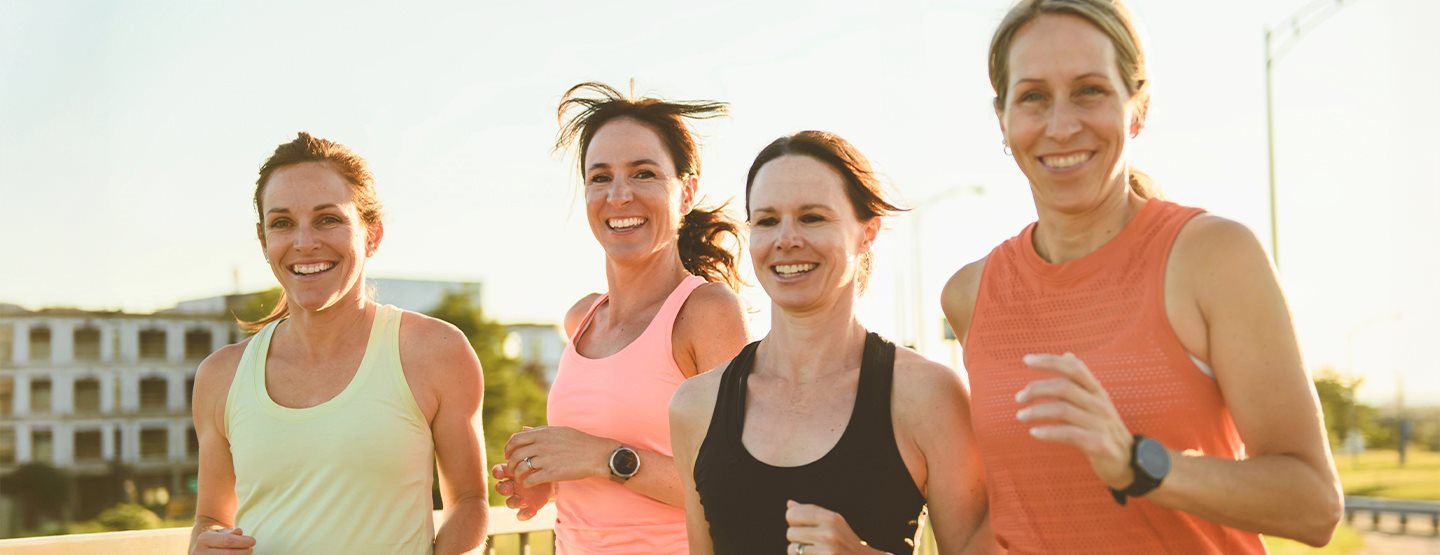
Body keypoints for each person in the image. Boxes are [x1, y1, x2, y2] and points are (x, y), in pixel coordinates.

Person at [939, 1, 1343, 552]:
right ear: (1004, 121)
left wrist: (1136, 462)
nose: (1061, 125)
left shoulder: (1212, 257)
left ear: (1138, 108)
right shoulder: (970, 294)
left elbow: (1313, 504)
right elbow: (1015, 519)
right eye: (1033, 96)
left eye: (1090, 90)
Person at [671, 131, 993, 555]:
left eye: (812, 218)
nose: (786, 239)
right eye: (767, 221)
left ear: (867, 233)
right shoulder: (696, 405)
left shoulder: (928, 394)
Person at [189, 132, 489, 555]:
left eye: (328, 219)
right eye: (282, 223)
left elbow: (469, 503)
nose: (304, 242)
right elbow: (211, 517)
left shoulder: (435, 351)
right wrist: (205, 545)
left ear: (372, 235)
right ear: (263, 242)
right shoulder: (220, 376)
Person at [492, 82, 749, 554]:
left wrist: (600, 457)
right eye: (600, 177)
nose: (619, 194)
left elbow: (738, 485)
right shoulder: (580, 318)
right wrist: (546, 477)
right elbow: (596, 482)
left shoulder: (705, 312)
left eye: (644, 173)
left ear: (686, 191)